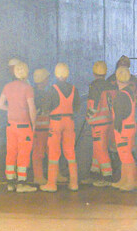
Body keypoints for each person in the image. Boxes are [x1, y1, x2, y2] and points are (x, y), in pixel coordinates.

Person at [0, 61, 37, 192]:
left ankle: (10, 182)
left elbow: (0, 105)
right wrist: (34, 124)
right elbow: (32, 108)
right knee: (23, 153)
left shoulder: (7, 87)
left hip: (10, 126)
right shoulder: (27, 88)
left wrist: (11, 108)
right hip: (24, 126)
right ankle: (21, 183)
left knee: (11, 152)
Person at [42, 62, 79, 192]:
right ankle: (74, 183)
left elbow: (45, 109)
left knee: (53, 151)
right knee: (70, 152)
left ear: (56, 74)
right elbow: (77, 107)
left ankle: (51, 183)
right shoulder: (74, 89)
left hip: (56, 123)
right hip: (69, 122)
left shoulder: (52, 89)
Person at [86, 60, 115, 185]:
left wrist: (88, 118)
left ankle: (107, 176)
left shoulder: (94, 86)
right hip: (108, 121)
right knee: (97, 148)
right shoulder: (110, 85)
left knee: (100, 149)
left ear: (94, 73)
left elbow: (92, 106)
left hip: (98, 123)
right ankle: (94, 170)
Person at [111, 66, 137, 191]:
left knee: (126, 155)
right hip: (130, 126)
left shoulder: (121, 96)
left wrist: (116, 129)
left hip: (123, 128)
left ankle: (131, 181)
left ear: (117, 79)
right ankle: (124, 179)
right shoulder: (129, 92)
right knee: (124, 155)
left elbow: (119, 115)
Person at [30, 68, 52, 185]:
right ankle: (38, 177)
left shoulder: (36, 93)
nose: (48, 80)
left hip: (44, 128)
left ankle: (51, 175)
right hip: (39, 129)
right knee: (39, 152)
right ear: (43, 80)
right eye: (47, 78)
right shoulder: (38, 94)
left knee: (49, 151)